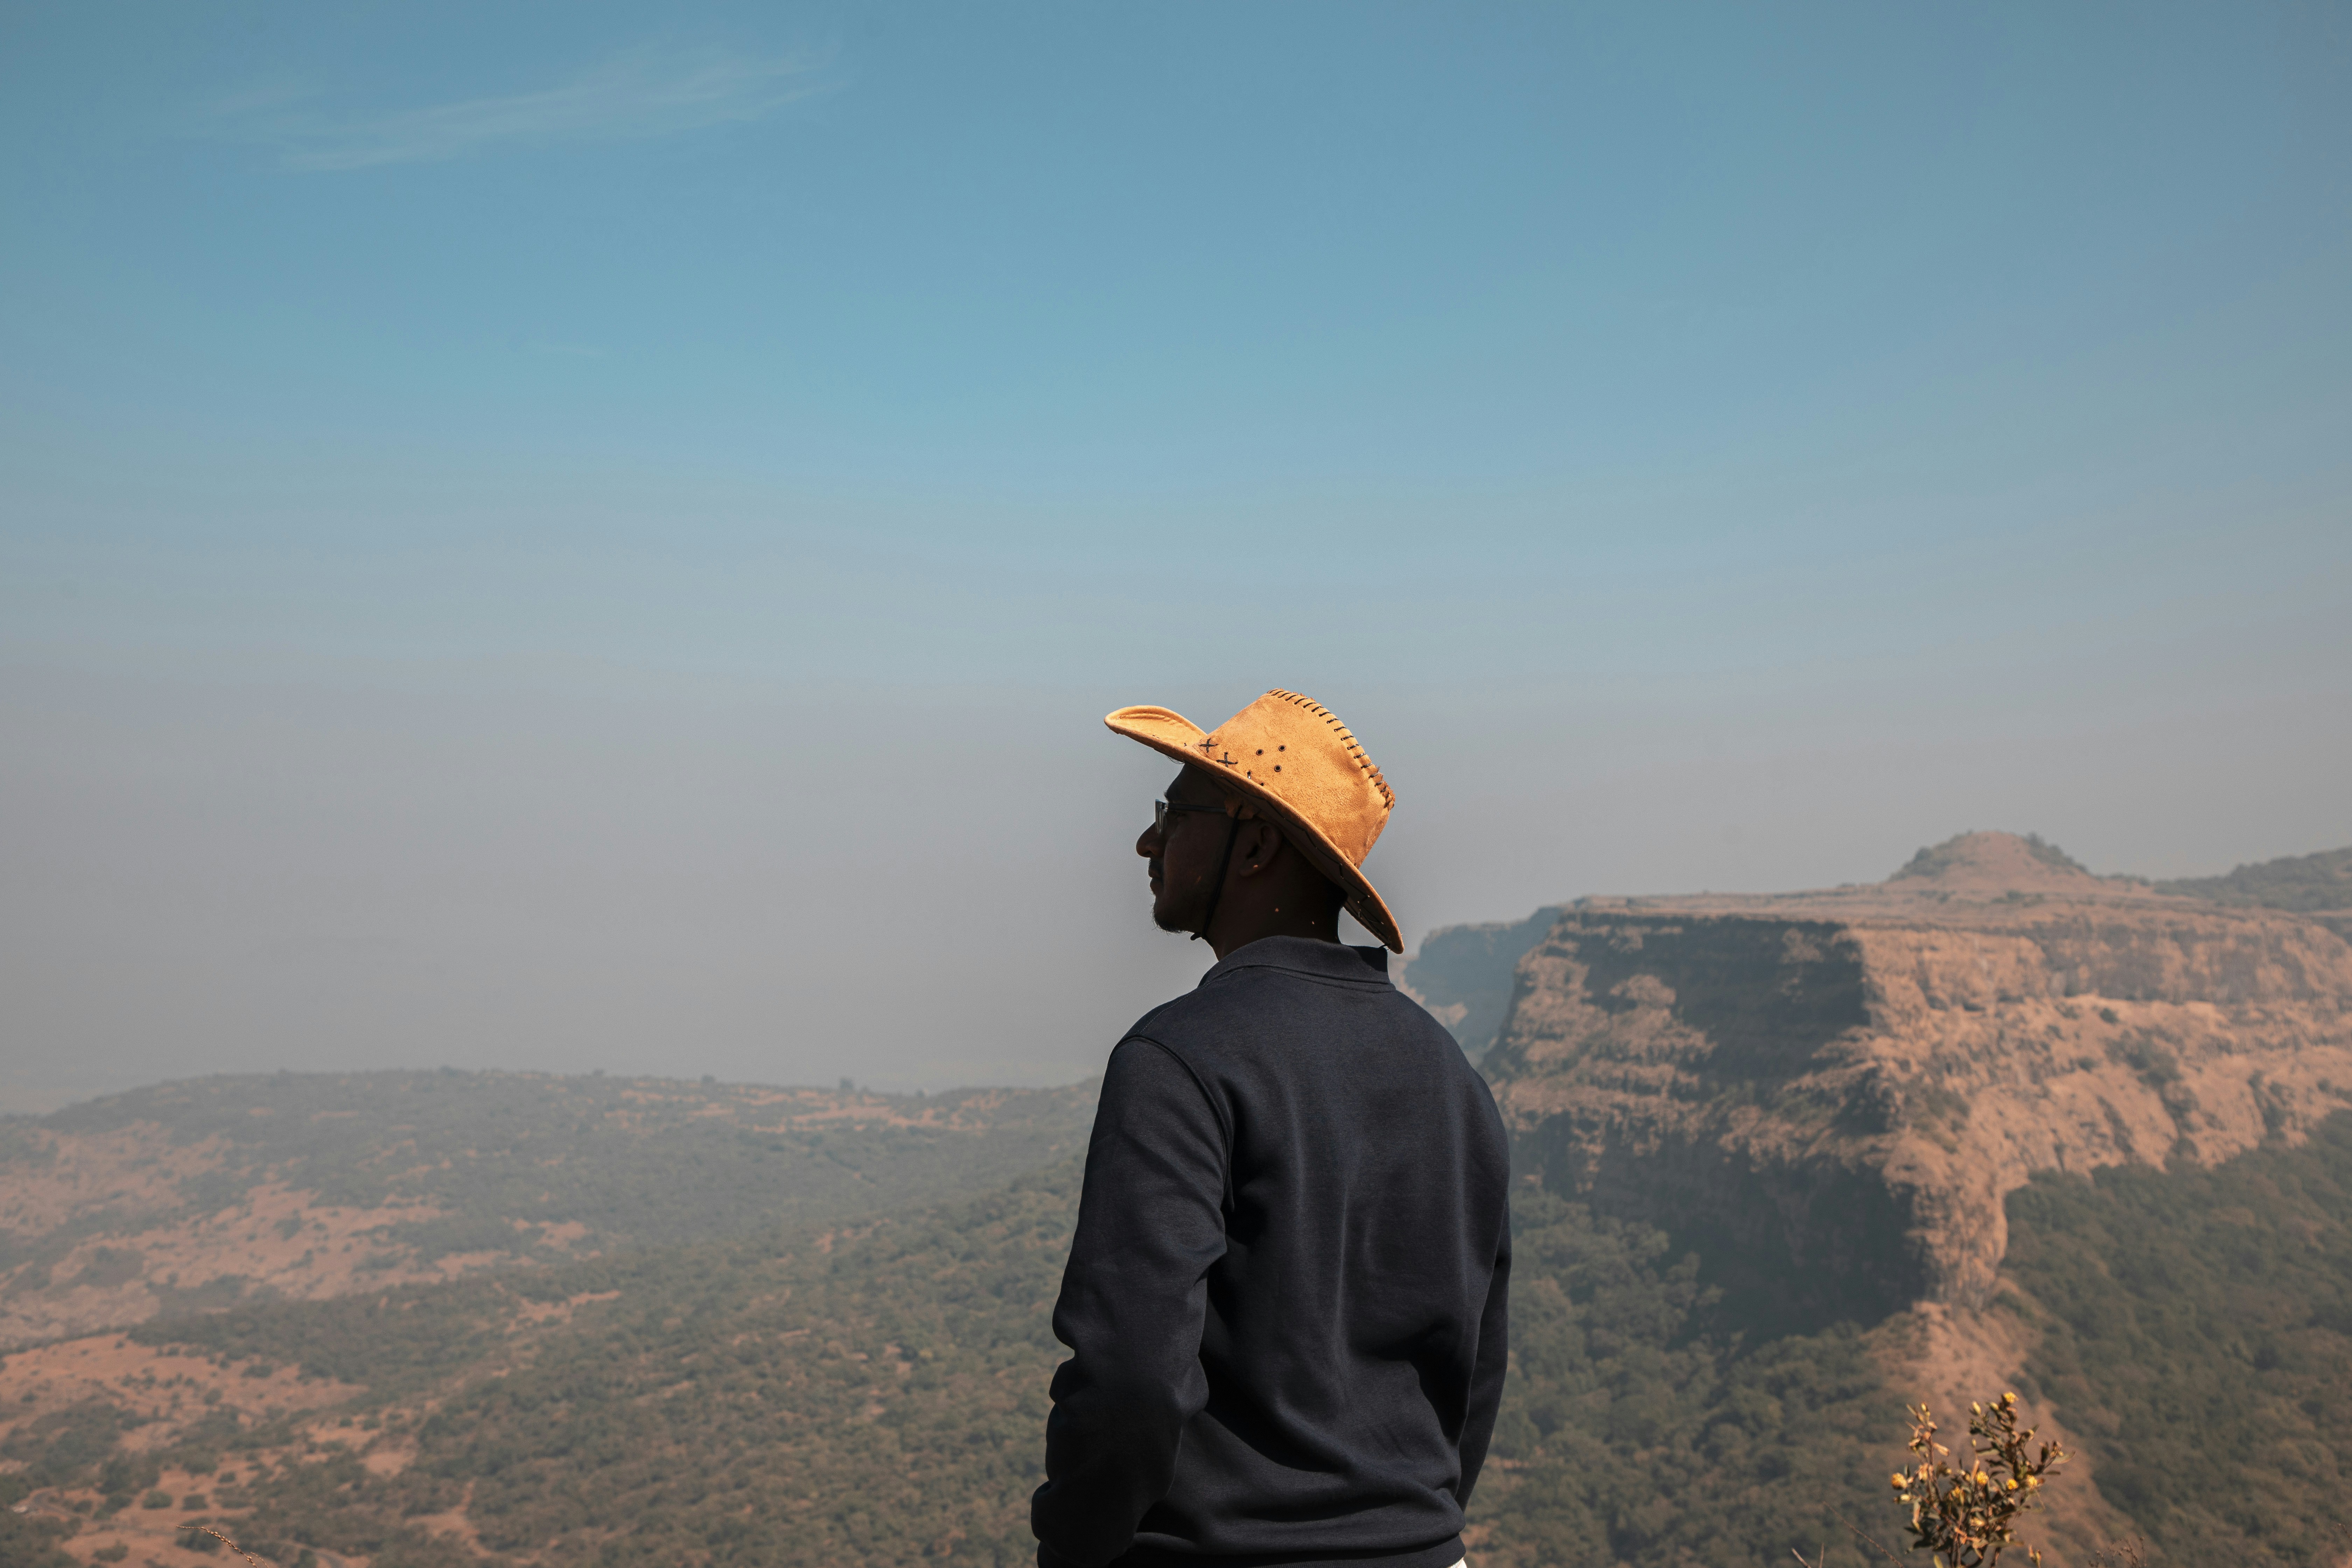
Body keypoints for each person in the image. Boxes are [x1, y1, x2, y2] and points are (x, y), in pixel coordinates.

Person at [1032, 690, 1513, 1568]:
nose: (1148, 842)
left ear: (1253, 845)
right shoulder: (1454, 1078)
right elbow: (1474, 1375)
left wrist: (1072, 1551)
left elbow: (1132, 1378)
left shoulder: (1178, 1057)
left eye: (1173, 814)